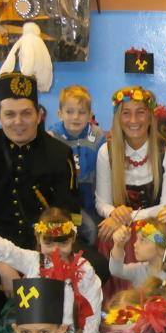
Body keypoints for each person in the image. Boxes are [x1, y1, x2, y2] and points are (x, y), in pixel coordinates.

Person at [0, 72, 108, 333]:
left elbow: (67, 211)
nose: (18, 122)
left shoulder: (59, 153)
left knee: (98, 268)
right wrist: (1, 264)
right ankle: (7, 329)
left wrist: (48, 257)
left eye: (26, 113)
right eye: (10, 114)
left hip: (46, 241)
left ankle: (55, 325)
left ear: (39, 115)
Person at [96, 86, 166, 293]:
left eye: (140, 112)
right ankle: (117, 303)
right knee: (110, 237)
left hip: (160, 226)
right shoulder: (107, 151)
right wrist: (114, 213)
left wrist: (127, 217)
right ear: (118, 118)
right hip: (119, 224)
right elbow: (101, 202)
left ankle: (158, 298)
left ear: (150, 116)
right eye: (126, 113)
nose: (133, 120)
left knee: (151, 239)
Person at [48, 85, 104, 244]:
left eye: (82, 112)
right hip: (65, 197)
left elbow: (104, 164)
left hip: (92, 194)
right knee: (88, 229)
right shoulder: (52, 137)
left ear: (90, 115)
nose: (75, 117)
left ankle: (90, 254)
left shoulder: (96, 135)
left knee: (97, 229)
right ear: (60, 114)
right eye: (69, 112)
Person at [108, 203, 166, 288]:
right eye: (137, 239)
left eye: (142, 240)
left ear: (162, 249)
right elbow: (116, 270)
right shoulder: (138, 270)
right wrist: (118, 245)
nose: (135, 244)